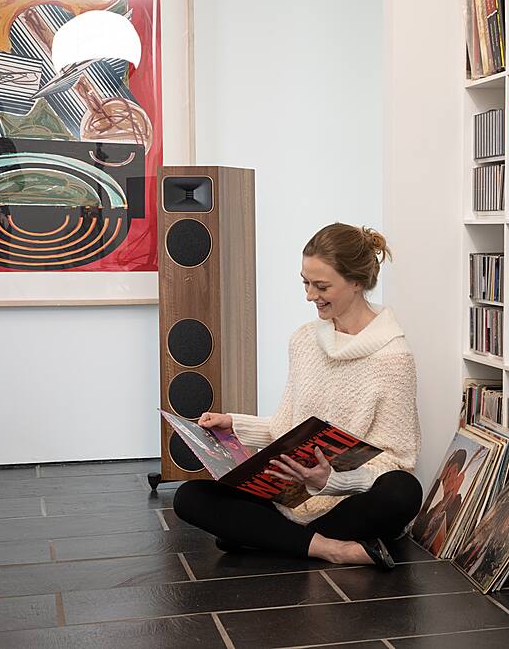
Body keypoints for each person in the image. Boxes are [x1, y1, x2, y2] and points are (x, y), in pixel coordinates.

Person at [172, 223, 423, 570]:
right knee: (188, 498)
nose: (309, 296)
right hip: (286, 497)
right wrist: (233, 424)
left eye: (321, 286)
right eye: (305, 282)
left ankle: (265, 537)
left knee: (403, 491)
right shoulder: (305, 340)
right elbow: (285, 428)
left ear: (356, 281)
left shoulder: (393, 358)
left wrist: (330, 480)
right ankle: (330, 549)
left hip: (345, 501)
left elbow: (398, 460)